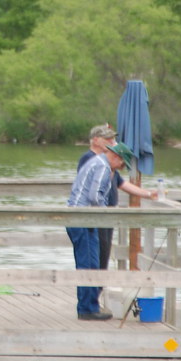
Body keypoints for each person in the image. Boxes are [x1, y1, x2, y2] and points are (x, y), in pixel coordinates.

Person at [66, 141, 135, 321]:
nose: (121, 168)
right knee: (88, 264)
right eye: (122, 164)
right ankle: (87, 309)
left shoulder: (97, 162)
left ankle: (89, 306)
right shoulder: (103, 167)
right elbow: (95, 196)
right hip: (82, 219)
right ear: (117, 157)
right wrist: (107, 213)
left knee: (91, 263)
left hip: (82, 218)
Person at [77, 124, 157, 271]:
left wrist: (147, 194)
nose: (111, 142)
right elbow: (91, 190)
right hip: (95, 215)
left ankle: (100, 283)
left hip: (108, 214)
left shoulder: (108, 161)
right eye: (107, 139)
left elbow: (121, 183)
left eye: (112, 139)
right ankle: (93, 283)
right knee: (94, 257)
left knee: (104, 254)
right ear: (95, 140)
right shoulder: (89, 159)